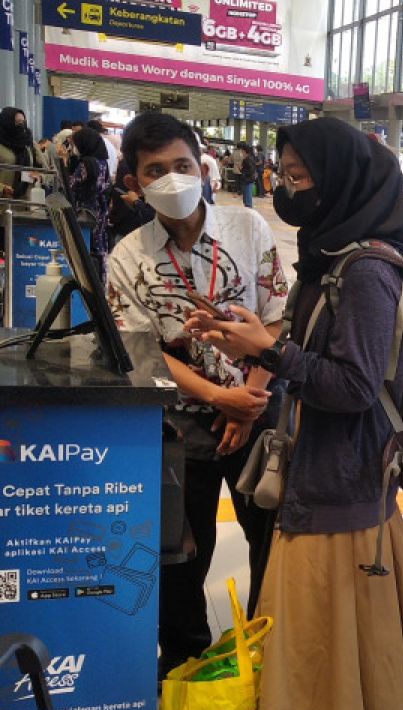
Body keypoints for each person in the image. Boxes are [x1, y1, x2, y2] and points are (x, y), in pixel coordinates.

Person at [186, 116, 403, 710]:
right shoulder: (333, 253)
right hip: (340, 468)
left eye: (303, 177)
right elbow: (315, 351)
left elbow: (356, 385)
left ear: (341, 180)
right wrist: (247, 338)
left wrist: (270, 354)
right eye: (285, 174)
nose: (288, 188)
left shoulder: (365, 268)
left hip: (337, 467)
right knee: (347, 607)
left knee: (300, 618)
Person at [105, 112, 286, 679]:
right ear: (134, 182)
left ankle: (270, 657)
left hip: (261, 410)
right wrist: (218, 397)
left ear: (201, 164)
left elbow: (278, 321)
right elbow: (144, 353)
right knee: (180, 556)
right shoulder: (128, 256)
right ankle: (184, 663)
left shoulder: (248, 228)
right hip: (180, 425)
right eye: (155, 171)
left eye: (182, 165)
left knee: (274, 542)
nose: (173, 179)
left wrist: (249, 401)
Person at [66, 127, 113, 281]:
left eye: (76, 144)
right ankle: (100, 279)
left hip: (84, 211)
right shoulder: (102, 162)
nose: (74, 148)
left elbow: (71, 185)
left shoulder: (86, 163)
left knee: (85, 246)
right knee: (99, 247)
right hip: (100, 211)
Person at [0, 107, 48, 200]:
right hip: (3, 204)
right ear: (7, 122)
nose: (21, 125)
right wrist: (2, 189)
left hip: (26, 203)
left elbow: (46, 170)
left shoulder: (29, 143)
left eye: (23, 122)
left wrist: (40, 177)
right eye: (18, 122)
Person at [238, 143, 256, 208]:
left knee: (247, 199)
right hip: (248, 180)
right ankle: (248, 210)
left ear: (245, 151)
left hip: (248, 180)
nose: (241, 153)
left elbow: (250, 171)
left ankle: (249, 212)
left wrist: (242, 170)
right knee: (246, 198)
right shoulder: (250, 158)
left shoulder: (248, 159)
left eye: (242, 151)